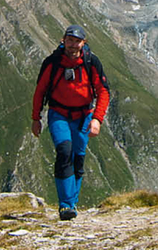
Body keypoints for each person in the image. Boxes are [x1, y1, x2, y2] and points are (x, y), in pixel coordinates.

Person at [31, 24, 110, 220]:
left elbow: (103, 92)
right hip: (59, 114)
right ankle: (65, 205)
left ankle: (72, 203)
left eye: (77, 41)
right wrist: (36, 118)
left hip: (83, 116)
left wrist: (97, 119)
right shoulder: (53, 62)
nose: (73, 45)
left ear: (83, 43)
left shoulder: (91, 62)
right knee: (64, 152)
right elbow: (40, 91)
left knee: (78, 159)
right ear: (63, 40)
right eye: (70, 40)